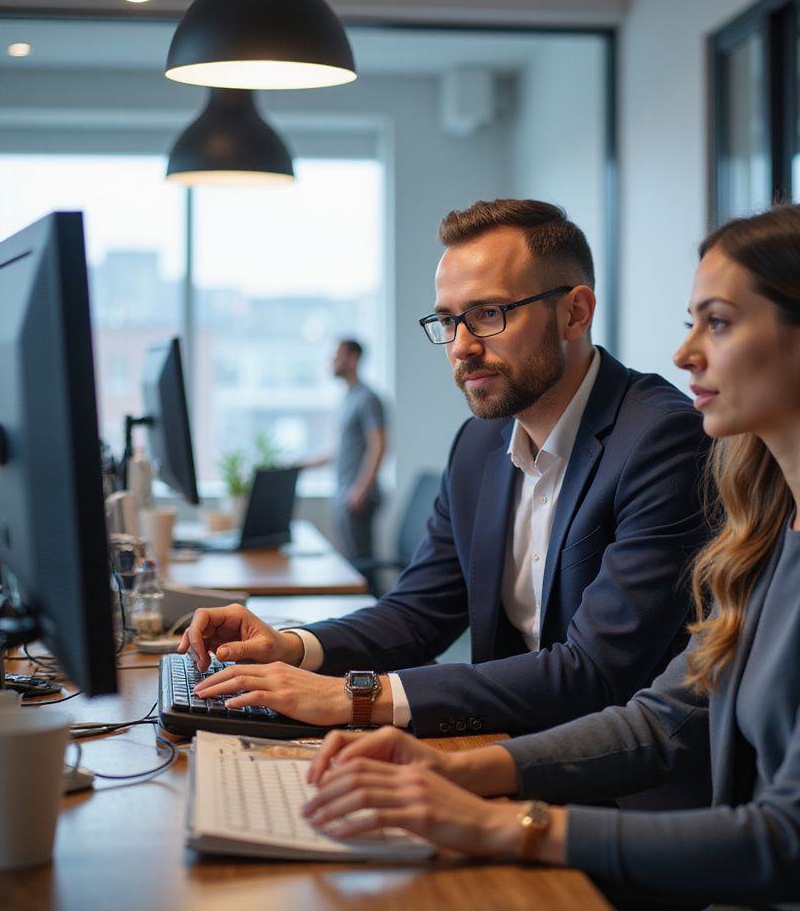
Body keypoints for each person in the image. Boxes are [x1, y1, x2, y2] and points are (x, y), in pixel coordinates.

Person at [300, 204, 800, 910]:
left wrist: (507, 825)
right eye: (692, 323)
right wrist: (462, 771)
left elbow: (793, 842)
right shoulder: (774, 524)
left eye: (716, 323)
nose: (685, 353)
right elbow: (661, 721)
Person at [180, 199, 710, 749]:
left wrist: (357, 695)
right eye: (447, 320)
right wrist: (291, 647)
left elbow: (594, 672)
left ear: (575, 313)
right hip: (497, 745)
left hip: (613, 780)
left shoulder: (661, 441)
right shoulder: (479, 443)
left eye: (488, 314)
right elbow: (418, 615)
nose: (461, 346)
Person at [299, 339, 388, 569]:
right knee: (351, 563)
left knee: (361, 566)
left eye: (337, 356)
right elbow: (340, 451)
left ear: (353, 359)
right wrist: (302, 465)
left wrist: (360, 490)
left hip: (357, 497)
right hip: (345, 494)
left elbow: (378, 444)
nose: (332, 361)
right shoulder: (348, 398)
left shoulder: (367, 398)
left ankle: (375, 603)